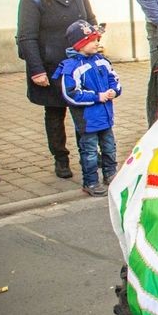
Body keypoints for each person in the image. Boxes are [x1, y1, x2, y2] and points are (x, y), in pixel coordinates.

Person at [16, 0, 96, 179]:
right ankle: (60, 159)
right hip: (52, 67)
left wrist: (95, 41)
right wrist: (37, 70)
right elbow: (27, 37)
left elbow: (90, 21)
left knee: (84, 112)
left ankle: (88, 154)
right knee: (55, 114)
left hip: (80, 66)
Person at [55, 21, 121, 197]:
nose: (97, 43)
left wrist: (114, 90)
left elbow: (114, 78)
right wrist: (96, 96)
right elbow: (71, 94)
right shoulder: (71, 67)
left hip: (105, 117)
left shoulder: (102, 61)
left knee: (109, 148)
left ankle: (110, 174)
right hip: (88, 120)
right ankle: (90, 182)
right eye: (92, 40)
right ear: (80, 44)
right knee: (89, 152)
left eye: (97, 39)